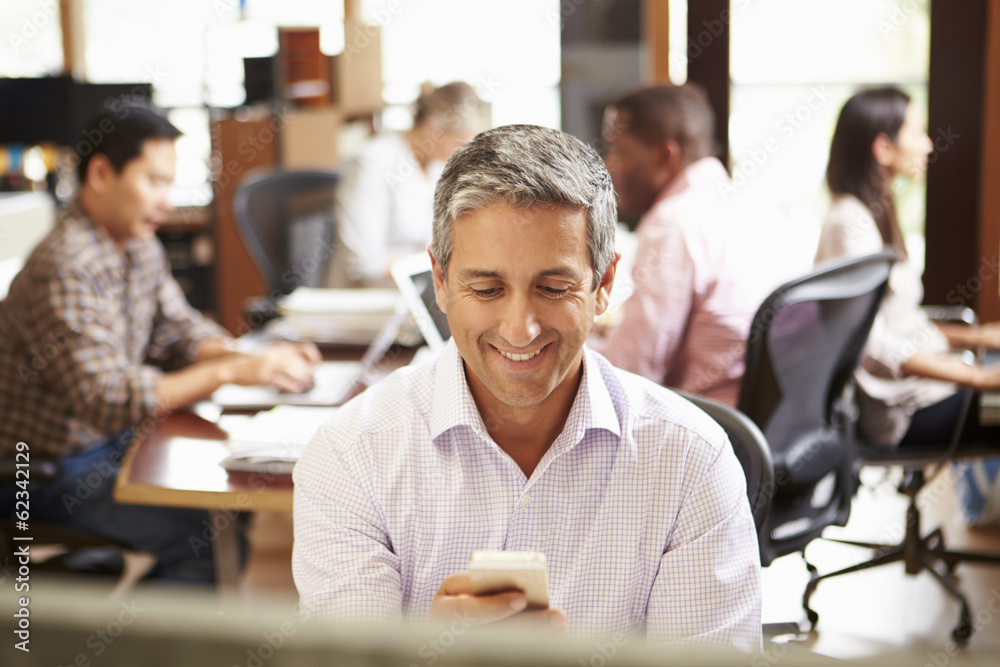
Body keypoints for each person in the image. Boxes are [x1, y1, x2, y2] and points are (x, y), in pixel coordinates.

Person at [294, 125, 762, 650]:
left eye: (554, 288)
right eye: (487, 288)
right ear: (441, 282)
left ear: (603, 286)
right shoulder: (350, 456)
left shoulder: (691, 461)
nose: (520, 330)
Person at [0, 105, 321, 583]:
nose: (166, 201)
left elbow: (180, 330)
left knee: (231, 495)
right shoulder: (64, 266)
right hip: (45, 470)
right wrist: (231, 371)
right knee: (201, 537)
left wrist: (253, 358)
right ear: (102, 173)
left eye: (170, 183)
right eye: (154, 182)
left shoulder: (137, 244)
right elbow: (107, 399)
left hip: (111, 442)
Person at [590, 84, 811, 407]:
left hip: (711, 424)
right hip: (768, 418)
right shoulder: (748, 203)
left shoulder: (674, 222)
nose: (609, 165)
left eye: (619, 150)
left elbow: (632, 371)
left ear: (665, 155)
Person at [817, 86, 1000, 447]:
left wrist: (978, 336)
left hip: (924, 390)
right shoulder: (849, 225)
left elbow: (898, 321)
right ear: (883, 148)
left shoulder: (875, 212)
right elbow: (870, 344)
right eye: (917, 133)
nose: (929, 145)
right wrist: (978, 377)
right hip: (901, 411)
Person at [325, 81, 489, 288]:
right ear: (433, 129)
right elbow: (365, 267)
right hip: (368, 298)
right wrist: (442, 262)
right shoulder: (374, 163)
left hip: (418, 288)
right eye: (460, 141)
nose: (462, 152)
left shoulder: (435, 168)